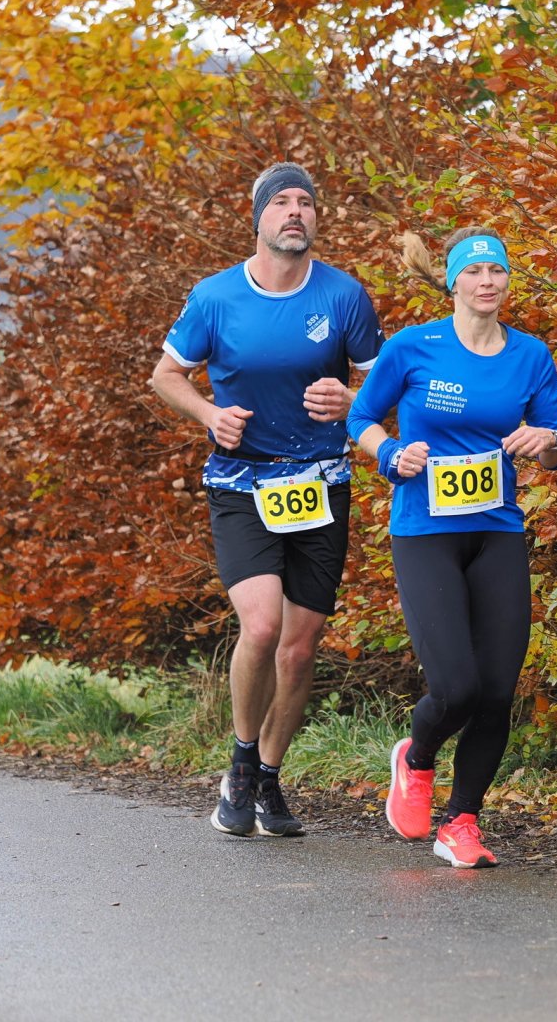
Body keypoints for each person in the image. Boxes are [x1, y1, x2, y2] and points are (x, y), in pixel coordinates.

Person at [151, 162, 384, 838]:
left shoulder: (344, 296)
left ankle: (271, 778)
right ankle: (241, 762)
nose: (295, 212)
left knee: (300, 650)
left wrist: (351, 400)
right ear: (258, 218)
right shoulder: (216, 297)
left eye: (305, 202)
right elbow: (166, 375)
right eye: (281, 202)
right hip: (242, 484)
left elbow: (382, 389)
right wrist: (208, 414)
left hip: (321, 485)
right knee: (260, 628)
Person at [346, 227, 557, 869]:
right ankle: (416, 760)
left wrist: (545, 443)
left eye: (497, 270)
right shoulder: (413, 347)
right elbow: (361, 418)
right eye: (474, 271)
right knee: (456, 687)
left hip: (496, 531)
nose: (487, 281)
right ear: (452, 282)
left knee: (497, 690)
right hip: (426, 533)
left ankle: (462, 821)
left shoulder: (530, 356)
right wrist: (391, 454)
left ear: (507, 280)